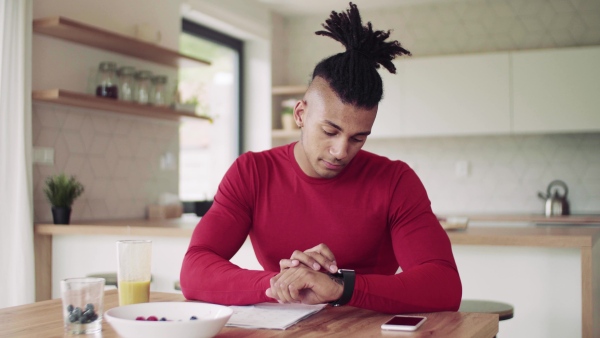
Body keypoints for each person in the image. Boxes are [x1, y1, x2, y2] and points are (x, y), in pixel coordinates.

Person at [180, 2, 462, 314]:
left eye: (358, 138)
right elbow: (194, 270)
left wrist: (341, 287)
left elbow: (444, 285)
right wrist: (283, 283)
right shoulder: (252, 173)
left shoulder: (395, 181)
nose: (341, 151)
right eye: (330, 131)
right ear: (301, 114)